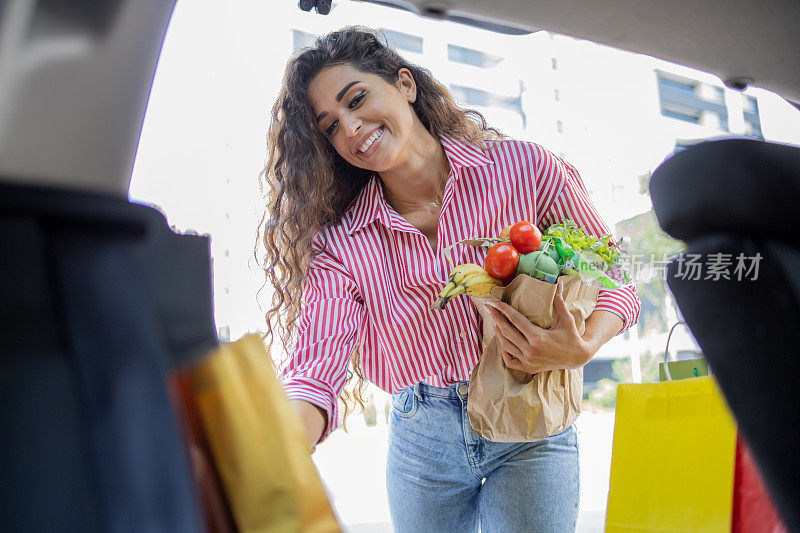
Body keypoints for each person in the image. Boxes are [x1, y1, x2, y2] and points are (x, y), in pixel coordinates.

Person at [258, 26, 640, 533]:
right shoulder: (343, 242)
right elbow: (315, 364)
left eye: (357, 99)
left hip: (531, 414)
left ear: (405, 85)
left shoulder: (524, 169)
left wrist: (584, 344)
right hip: (424, 437)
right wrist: (282, 448)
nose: (350, 128)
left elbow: (611, 270)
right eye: (330, 126)